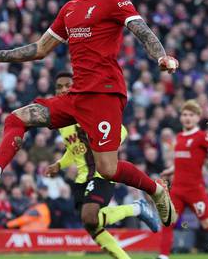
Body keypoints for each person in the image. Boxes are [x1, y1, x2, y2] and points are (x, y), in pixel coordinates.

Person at [0, 0, 179, 227]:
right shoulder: (70, 9)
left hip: (105, 94)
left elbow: (142, 31)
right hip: (76, 96)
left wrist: (162, 58)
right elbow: (40, 49)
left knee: (108, 168)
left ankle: (156, 191)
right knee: (17, 118)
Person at [44, 72, 160, 258]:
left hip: (101, 173)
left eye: (68, 85)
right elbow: (73, 147)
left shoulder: (90, 109)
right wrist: (59, 164)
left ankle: (136, 208)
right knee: (92, 226)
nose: (64, 89)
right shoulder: (62, 120)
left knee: (90, 218)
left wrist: (105, 147)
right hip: (81, 178)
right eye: (59, 86)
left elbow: (120, 131)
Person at [158, 100, 208, 259]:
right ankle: (163, 256)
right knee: (168, 223)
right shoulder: (179, 137)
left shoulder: (202, 137)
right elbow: (183, 161)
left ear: (197, 117)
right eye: (184, 114)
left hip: (195, 190)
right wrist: (171, 170)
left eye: (191, 115)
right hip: (177, 190)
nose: (187, 118)